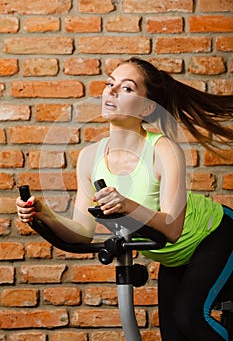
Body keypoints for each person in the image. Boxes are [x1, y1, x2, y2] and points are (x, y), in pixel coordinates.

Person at [16, 57, 233, 340]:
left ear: (146, 107)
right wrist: (43, 213)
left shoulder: (163, 150)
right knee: (172, 333)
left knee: (190, 318)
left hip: (216, 235)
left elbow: (172, 228)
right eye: (110, 84)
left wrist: (127, 204)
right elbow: (82, 232)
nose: (112, 91)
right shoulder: (90, 157)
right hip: (174, 257)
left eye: (127, 88)